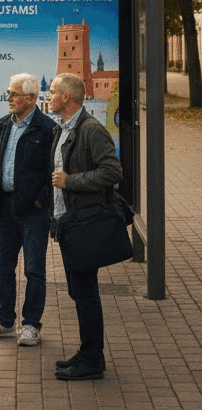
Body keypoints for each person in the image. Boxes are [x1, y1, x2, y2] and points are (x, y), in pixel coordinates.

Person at [48, 73, 123, 381]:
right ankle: (88, 352)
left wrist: (71, 181)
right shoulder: (63, 129)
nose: (49, 95)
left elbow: (112, 171)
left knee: (86, 292)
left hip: (84, 223)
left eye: (52, 91)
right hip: (69, 222)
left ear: (66, 97)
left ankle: (92, 360)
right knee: (80, 292)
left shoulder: (91, 129)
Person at [0, 73, 55, 346]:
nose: (8, 98)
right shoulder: (3, 125)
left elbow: (51, 171)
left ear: (31, 99)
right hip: (5, 207)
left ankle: (31, 325)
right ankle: (4, 321)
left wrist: (39, 200)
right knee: (2, 269)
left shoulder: (46, 129)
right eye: (8, 92)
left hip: (33, 212)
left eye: (14, 94)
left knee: (34, 271)